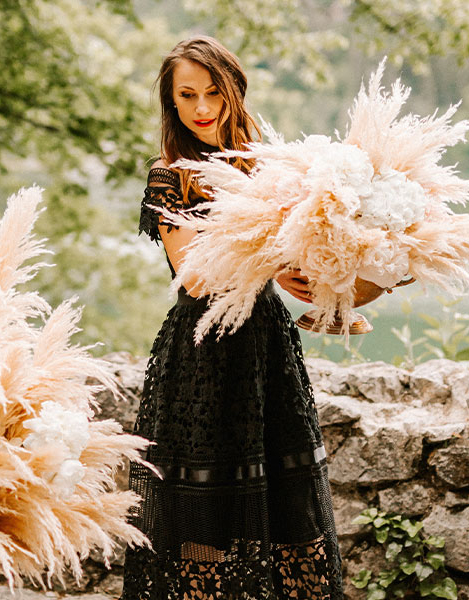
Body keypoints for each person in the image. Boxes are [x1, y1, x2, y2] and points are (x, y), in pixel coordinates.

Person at [121, 36, 344, 600]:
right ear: (172, 103)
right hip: (204, 349)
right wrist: (269, 255)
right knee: (203, 516)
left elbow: (283, 263)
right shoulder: (169, 174)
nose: (201, 108)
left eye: (212, 92)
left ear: (234, 89)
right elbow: (193, 274)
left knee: (290, 509)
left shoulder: (265, 165)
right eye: (187, 96)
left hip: (265, 346)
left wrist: (314, 267)